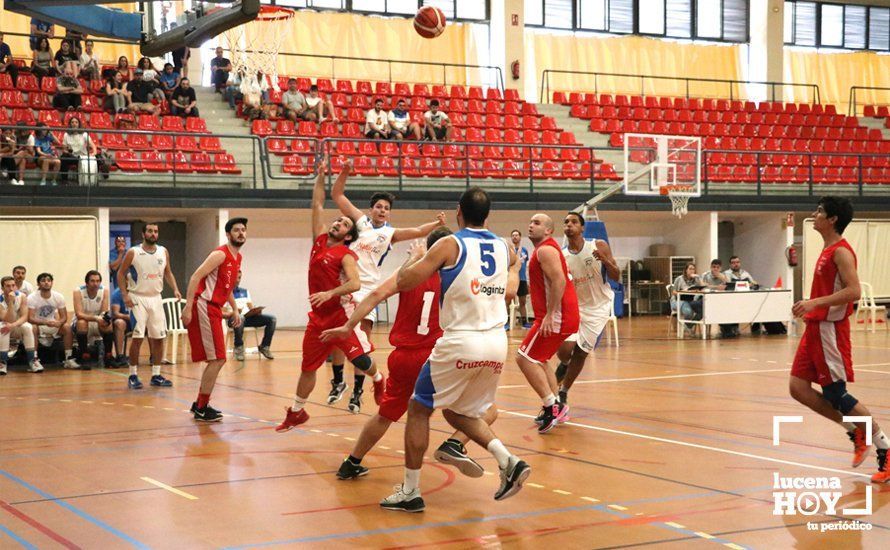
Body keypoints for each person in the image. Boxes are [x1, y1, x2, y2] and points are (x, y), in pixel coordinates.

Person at [380, 186, 528, 512]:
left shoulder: (450, 243)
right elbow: (514, 270)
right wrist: (512, 277)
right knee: (458, 411)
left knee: (419, 409)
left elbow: (406, 282)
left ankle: (410, 491)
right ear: (487, 215)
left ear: (459, 211)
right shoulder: (504, 246)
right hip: (496, 342)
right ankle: (508, 460)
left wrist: (418, 259)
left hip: (462, 340)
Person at [324, 226, 498, 481]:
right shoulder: (457, 274)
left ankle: (352, 462)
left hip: (403, 357)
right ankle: (454, 444)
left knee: (386, 414)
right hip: (438, 357)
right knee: (488, 410)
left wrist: (349, 326)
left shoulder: (408, 274)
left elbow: (374, 294)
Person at [275, 161, 385, 432]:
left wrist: (331, 292)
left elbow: (356, 283)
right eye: (338, 220)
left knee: (359, 360)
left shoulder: (346, 254)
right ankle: (297, 412)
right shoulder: (320, 242)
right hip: (318, 319)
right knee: (308, 367)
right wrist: (321, 175)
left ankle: (379, 378)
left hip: (341, 315)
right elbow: (317, 205)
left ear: (349, 235)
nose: (337, 223)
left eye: (344, 223)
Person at [789, 196, 890, 484]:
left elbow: (855, 291)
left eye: (819, 211)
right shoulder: (826, 249)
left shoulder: (841, 252)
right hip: (814, 330)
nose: (814, 214)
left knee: (837, 396)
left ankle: (885, 446)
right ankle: (855, 431)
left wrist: (813, 303)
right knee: (798, 388)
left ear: (832, 219)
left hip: (830, 331)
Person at [329, 168, 445, 412]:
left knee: (363, 344)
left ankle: (358, 391)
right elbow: (337, 194)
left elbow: (417, 231)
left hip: (369, 290)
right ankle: (338, 381)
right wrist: (346, 172)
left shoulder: (388, 233)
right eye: (379, 206)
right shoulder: (359, 223)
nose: (382, 210)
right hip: (346, 286)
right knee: (339, 339)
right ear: (371, 209)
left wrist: (437, 223)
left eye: (386, 208)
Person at [515, 214, 579, 434]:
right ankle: (559, 407)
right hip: (565, 316)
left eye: (537, 223)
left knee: (523, 358)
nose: (531, 225)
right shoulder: (545, 250)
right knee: (540, 360)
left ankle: (550, 406)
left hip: (557, 315)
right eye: (530, 221)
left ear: (549, 231)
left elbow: (559, 280)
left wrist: (551, 314)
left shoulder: (545, 250)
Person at [181, 218, 248, 422]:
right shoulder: (220, 254)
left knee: (217, 358)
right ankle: (201, 407)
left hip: (216, 308)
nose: (241, 233)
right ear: (228, 234)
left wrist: (235, 308)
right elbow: (195, 277)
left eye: (243, 230)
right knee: (217, 358)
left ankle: (201, 405)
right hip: (204, 305)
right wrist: (187, 306)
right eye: (236, 230)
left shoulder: (238, 258)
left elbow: (226, 287)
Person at [554, 212, 620, 406]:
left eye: (573, 222)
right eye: (566, 222)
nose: (569, 225)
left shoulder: (598, 245)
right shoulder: (562, 255)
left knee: (581, 353)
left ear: (582, 228)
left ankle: (564, 391)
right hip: (576, 306)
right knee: (564, 350)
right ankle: (564, 364)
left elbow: (617, 276)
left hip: (598, 307)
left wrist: (605, 260)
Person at [117, 223, 180, 389]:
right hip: (138, 298)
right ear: (143, 233)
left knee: (159, 337)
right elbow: (120, 273)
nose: (153, 234)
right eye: (150, 231)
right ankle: (132, 375)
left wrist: (175, 289)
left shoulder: (163, 251)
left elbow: (168, 272)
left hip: (156, 298)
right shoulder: (133, 252)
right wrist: (125, 295)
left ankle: (156, 375)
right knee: (137, 337)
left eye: (156, 231)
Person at [28, 273, 79, 369]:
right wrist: (44, 322)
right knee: (32, 328)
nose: (46, 282)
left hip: (53, 324)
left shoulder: (58, 296)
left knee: (67, 327)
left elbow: (64, 317)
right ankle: (34, 360)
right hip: (39, 325)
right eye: (43, 280)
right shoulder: (32, 297)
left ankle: (68, 359)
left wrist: (59, 322)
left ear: (52, 283)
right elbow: (30, 318)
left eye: (48, 280)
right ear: (38, 284)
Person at [224, 271, 275, 361]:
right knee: (240, 317)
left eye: (239, 278)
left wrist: (256, 311)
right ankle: (238, 347)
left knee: (272, 319)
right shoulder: (225, 292)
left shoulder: (245, 292)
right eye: (236, 277)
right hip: (233, 320)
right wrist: (234, 312)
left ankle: (264, 346)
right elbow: (222, 312)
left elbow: (250, 307)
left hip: (247, 318)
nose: (238, 280)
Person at [1, 275, 42, 375]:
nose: (11, 288)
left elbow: (24, 317)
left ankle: (32, 361)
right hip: (5, 324)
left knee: (28, 327)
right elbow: (7, 319)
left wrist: (13, 324)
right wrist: (10, 302)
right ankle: (2, 362)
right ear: (2, 288)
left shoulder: (22, 296)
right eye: (8, 286)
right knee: (3, 327)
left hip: (16, 324)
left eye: (13, 285)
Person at [72, 270, 114, 366]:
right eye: (92, 281)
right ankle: (85, 356)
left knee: (108, 324)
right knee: (81, 322)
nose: (96, 284)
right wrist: (96, 318)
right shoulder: (78, 291)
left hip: (97, 321)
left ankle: (108, 356)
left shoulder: (104, 290)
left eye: (98, 281)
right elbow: (79, 314)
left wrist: (102, 319)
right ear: (87, 282)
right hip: (82, 322)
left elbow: (103, 312)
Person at [724, 255, 759, 335]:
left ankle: (756, 327)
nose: (736, 264)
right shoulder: (726, 273)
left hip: (745, 299)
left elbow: (754, 283)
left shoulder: (745, 273)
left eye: (737, 262)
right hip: (731, 300)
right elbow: (727, 286)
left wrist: (753, 284)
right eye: (733, 263)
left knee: (758, 305)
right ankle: (731, 328)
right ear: (730, 265)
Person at [60, 116, 97, 184]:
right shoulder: (66, 135)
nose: (74, 124)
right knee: (63, 157)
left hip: (82, 157)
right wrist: (68, 152)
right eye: (72, 122)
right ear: (70, 124)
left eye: (76, 122)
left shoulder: (84, 134)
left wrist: (94, 153)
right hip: (72, 156)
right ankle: (64, 180)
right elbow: (64, 149)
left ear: (79, 124)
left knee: (94, 158)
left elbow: (93, 146)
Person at [505, 229, 530, 329]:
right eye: (513, 235)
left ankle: (524, 323)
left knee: (523, 301)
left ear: (520, 237)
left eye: (517, 235)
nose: (515, 237)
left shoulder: (524, 250)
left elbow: (524, 264)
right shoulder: (509, 251)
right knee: (507, 301)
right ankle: (506, 322)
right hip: (511, 279)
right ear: (511, 238)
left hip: (522, 279)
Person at [671, 263, 703, 333]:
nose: (692, 271)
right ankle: (686, 327)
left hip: (690, 300)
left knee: (702, 311)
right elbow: (673, 292)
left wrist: (698, 278)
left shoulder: (696, 280)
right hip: (677, 300)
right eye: (690, 269)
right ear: (686, 270)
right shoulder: (679, 279)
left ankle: (688, 326)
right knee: (688, 312)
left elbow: (702, 288)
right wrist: (683, 291)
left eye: (693, 269)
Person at [110, 286, 134, 367]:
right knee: (119, 323)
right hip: (125, 322)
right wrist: (129, 317)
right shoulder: (117, 293)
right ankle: (120, 356)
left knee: (150, 322)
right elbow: (115, 313)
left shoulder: (139, 291)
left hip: (138, 321)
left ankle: (154, 356)